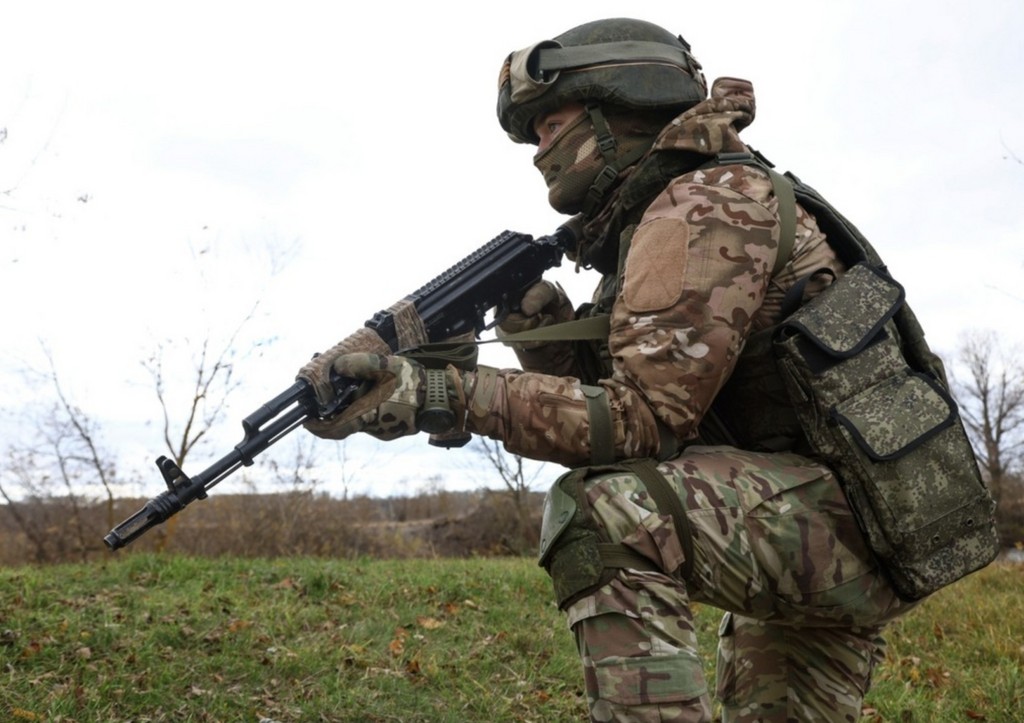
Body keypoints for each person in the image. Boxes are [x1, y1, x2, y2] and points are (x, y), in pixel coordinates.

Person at [297, 18, 921, 722]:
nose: (539, 151)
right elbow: (645, 394)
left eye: (548, 124)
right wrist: (543, 337)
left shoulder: (705, 206)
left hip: (828, 517)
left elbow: (641, 422)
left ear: (615, 105)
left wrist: (441, 393)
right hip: (835, 518)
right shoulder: (674, 211)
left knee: (607, 512)